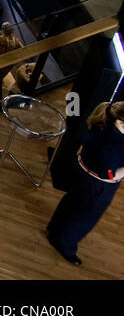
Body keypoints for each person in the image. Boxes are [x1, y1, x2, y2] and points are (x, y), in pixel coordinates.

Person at [47, 101, 124, 265]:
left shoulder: (103, 120)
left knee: (70, 203)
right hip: (97, 185)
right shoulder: (113, 146)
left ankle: (53, 230)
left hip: (82, 171)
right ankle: (64, 245)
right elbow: (108, 173)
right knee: (84, 218)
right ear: (121, 122)